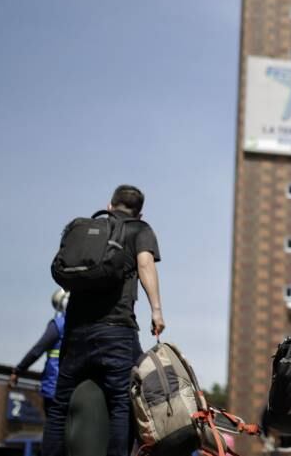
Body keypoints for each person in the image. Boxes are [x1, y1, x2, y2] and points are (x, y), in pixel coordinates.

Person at [41, 185, 166, 456]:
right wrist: (156, 310)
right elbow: (145, 265)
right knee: (122, 403)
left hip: (76, 330)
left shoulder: (92, 230)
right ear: (140, 212)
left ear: (110, 205)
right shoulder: (139, 230)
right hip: (116, 330)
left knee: (60, 405)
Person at [8, 289, 69, 417]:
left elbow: (37, 351)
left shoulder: (58, 325)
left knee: (54, 429)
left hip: (55, 387)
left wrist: (18, 370)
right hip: (76, 389)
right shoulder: (88, 326)